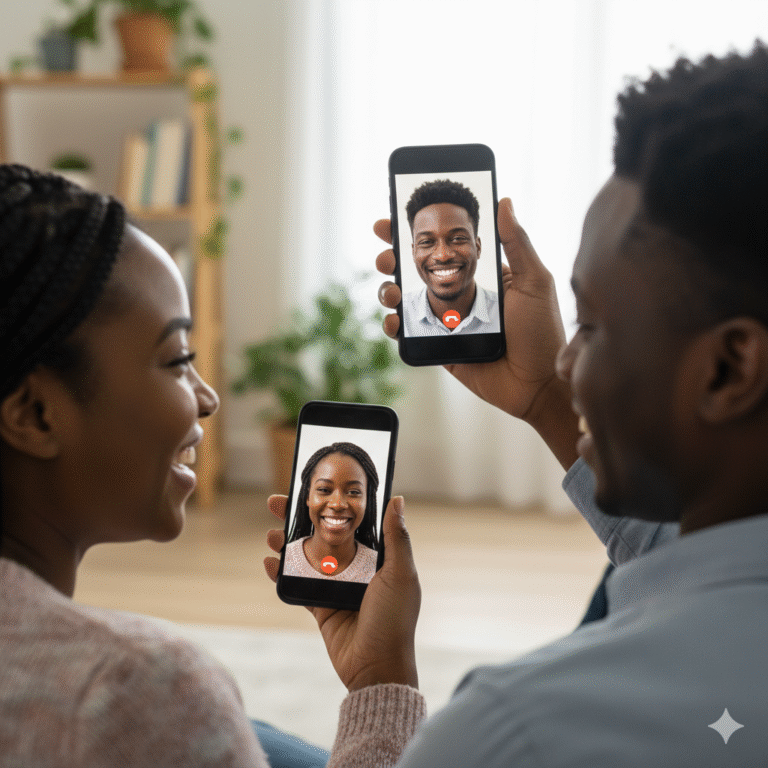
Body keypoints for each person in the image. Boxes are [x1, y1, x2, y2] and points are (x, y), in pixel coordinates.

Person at [266, 41, 768, 765]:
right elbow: (668, 544)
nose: (567, 356)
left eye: (592, 324)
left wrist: (380, 684)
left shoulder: (513, 730)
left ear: (729, 367)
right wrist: (544, 402)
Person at [0, 163, 424, 768]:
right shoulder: (137, 688)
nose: (207, 396)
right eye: (177, 358)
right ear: (37, 414)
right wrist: (383, 681)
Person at [400, 178, 500, 336]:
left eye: (458, 239)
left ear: (478, 247)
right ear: (413, 252)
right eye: (426, 242)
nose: (443, 255)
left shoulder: (508, 314)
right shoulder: (400, 315)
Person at [284, 442, 379, 582]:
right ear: (307, 496)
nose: (337, 504)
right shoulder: (287, 559)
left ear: (368, 502)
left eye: (353, 492)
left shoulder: (381, 570)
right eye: (324, 490)